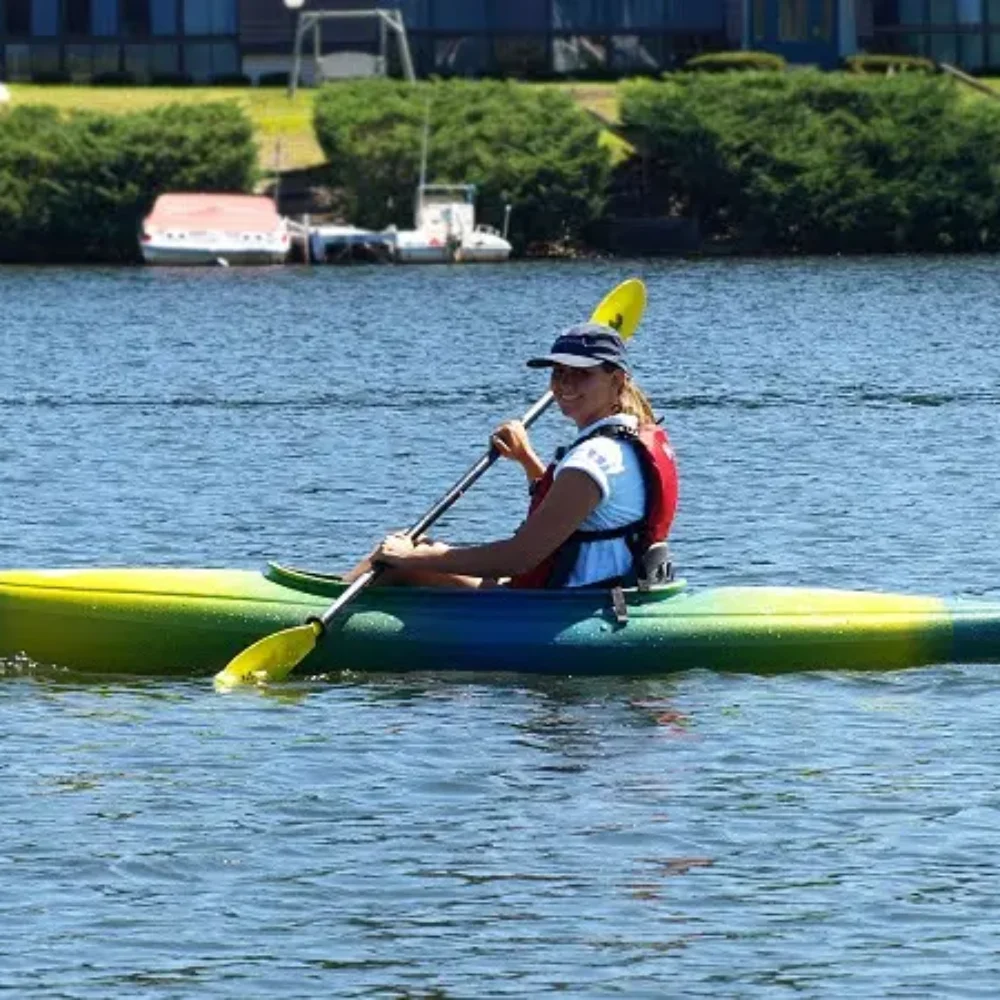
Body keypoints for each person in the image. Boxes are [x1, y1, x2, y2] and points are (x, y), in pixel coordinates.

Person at [365, 321, 679, 590]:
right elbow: (578, 514)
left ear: (617, 380)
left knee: (401, 559)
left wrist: (409, 557)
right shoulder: (623, 442)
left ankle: (325, 607)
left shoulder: (593, 458)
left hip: (563, 609)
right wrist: (528, 461)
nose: (565, 384)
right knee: (424, 548)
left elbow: (519, 557)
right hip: (596, 593)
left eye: (581, 373)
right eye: (558, 373)